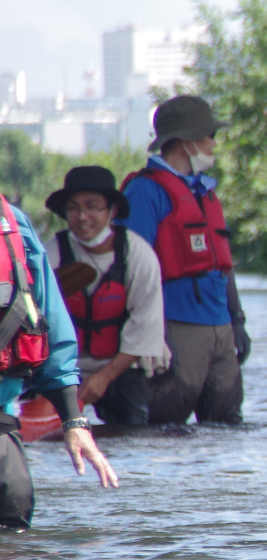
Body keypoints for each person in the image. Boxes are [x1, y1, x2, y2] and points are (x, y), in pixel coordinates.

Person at [123, 95, 251, 425]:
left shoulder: (204, 191)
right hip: (175, 325)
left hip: (219, 325)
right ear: (187, 143)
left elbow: (223, 264)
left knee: (227, 429)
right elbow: (131, 268)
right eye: (210, 135)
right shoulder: (145, 191)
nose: (214, 144)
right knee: (166, 427)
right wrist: (153, 334)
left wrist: (237, 321)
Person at [0, 192, 120, 529]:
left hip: (1, 425)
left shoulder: (12, 224)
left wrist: (74, 420)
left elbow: (50, 321)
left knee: (15, 540)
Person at [44, 167, 167, 426]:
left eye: (92, 207)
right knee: (42, 439)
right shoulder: (50, 256)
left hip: (121, 364)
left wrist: (105, 376)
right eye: (73, 208)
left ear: (112, 211)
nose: (82, 217)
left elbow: (145, 331)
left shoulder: (139, 256)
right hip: (64, 367)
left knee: (134, 434)